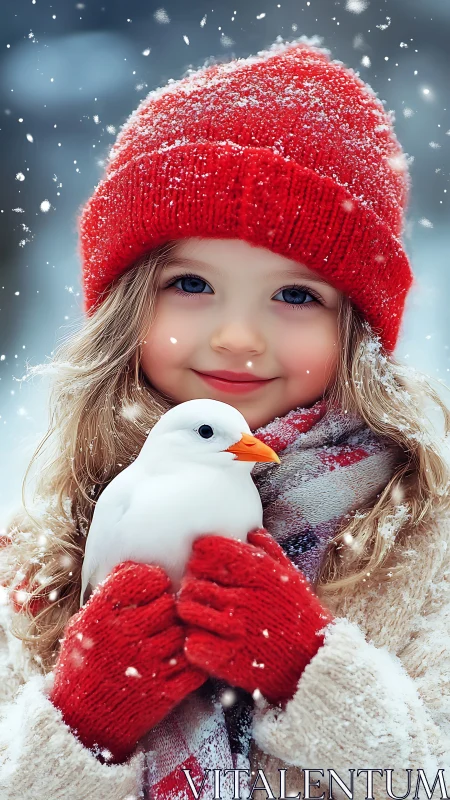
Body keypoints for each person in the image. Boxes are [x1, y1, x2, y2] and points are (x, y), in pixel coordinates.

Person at [0, 35, 449, 800]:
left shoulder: (422, 537)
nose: (239, 336)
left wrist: (312, 673)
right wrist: (81, 723)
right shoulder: (43, 546)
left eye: (297, 295)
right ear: (126, 310)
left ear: (356, 332)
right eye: (192, 283)